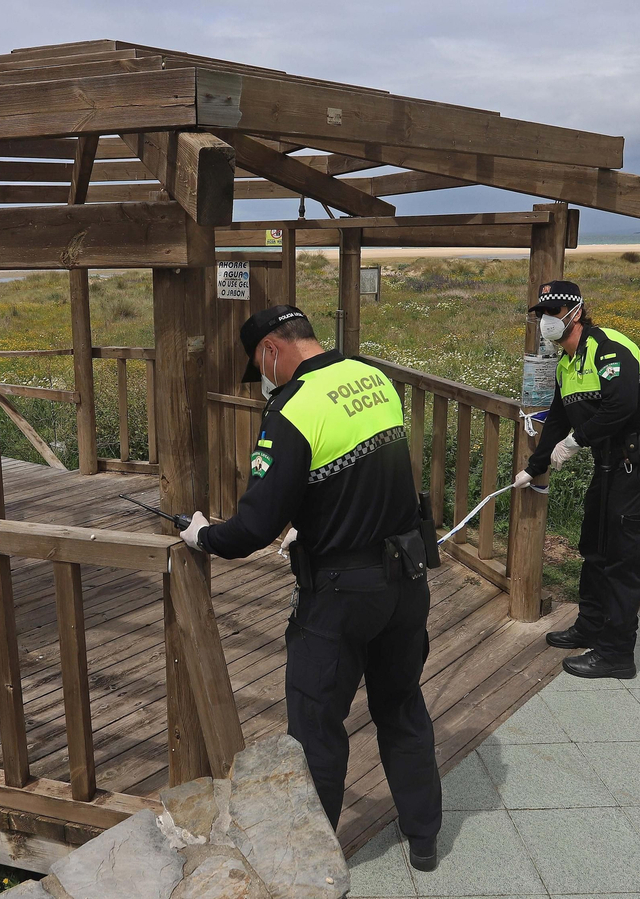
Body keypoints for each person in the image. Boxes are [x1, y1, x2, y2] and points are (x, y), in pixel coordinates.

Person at [180, 305, 442, 871]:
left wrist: (206, 537)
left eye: (260, 365)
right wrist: (312, 516)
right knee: (401, 707)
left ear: (272, 350)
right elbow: (363, 478)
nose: (264, 378)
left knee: (317, 728)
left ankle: (314, 866)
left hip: (340, 597)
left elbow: (253, 526)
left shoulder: (291, 408)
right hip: (406, 582)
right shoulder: (373, 378)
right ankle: (423, 839)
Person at [513, 281, 640, 679]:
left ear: (576, 312)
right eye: (542, 314)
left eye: (554, 312)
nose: (546, 320)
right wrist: (536, 465)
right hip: (608, 468)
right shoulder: (566, 363)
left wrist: (575, 442)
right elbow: (559, 418)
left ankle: (617, 653)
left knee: (622, 560)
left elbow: (622, 405)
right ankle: (590, 626)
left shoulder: (610, 347)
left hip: (638, 467)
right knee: (595, 549)